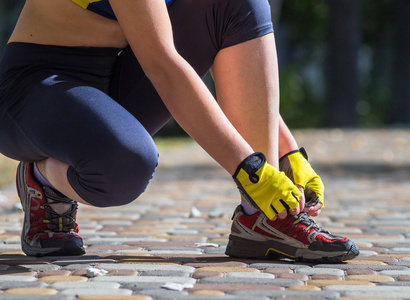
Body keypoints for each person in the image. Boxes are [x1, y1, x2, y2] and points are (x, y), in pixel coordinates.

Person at [0, 0, 359, 261]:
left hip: (115, 72)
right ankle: (43, 179)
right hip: (35, 86)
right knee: (125, 167)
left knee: (236, 4)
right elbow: (165, 66)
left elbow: (232, 70)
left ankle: (264, 218)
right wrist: (251, 169)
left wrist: (286, 152)